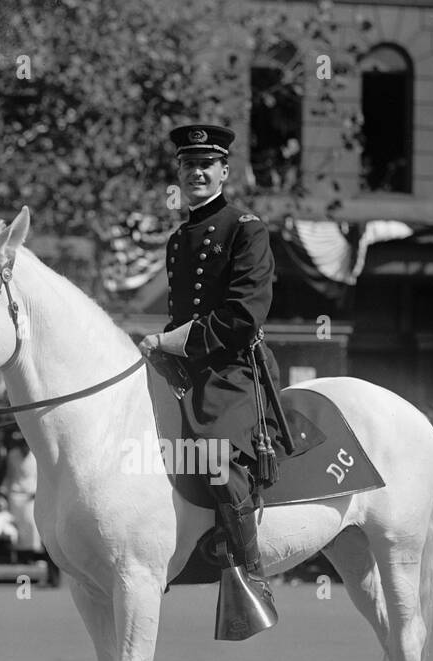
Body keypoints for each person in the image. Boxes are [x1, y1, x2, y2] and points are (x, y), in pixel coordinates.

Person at [138, 123, 279, 627]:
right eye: (187, 164)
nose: (196, 171)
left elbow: (244, 315)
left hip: (231, 367)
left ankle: (251, 577)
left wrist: (174, 341)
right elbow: (180, 313)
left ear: (224, 170)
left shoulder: (246, 226)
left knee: (217, 455)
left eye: (207, 164)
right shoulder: (179, 238)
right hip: (185, 365)